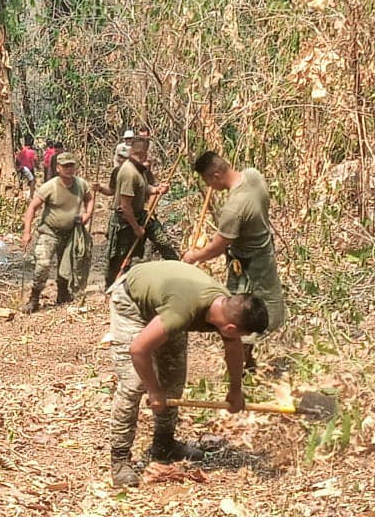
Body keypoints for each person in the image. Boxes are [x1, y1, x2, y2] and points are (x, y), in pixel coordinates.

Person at [107, 259, 269, 488]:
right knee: (134, 383)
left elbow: (233, 350)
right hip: (133, 301)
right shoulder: (182, 311)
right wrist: (153, 391)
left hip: (165, 303)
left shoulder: (225, 306)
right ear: (232, 328)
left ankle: (164, 445)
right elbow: (138, 350)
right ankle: (120, 459)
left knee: (172, 380)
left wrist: (235, 391)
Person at [183, 151, 286, 371]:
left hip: (249, 264)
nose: (209, 186)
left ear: (216, 176)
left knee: (241, 309)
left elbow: (219, 245)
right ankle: (245, 358)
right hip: (265, 252)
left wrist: (194, 256)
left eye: (207, 180)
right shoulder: (253, 175)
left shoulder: (234, 208)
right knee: (256, 302)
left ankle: (243, 360)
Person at [20, 153, 94, 313]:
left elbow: (90, 198)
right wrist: (27, 232)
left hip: (71, 232)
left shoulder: (81, 184)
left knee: (68, 266)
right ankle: (34, 298)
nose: (69, 169)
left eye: (71, 165)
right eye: (65, 166)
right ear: (58, 168)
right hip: (49, 232)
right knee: (43, 264)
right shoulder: (50, 186)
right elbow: (32, 207)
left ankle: (63, 293)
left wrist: (87, 215)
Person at [104, 134, 179, 285]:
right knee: (119, 257)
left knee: (163, 243)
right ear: (136, 153)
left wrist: (157, 189)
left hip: (140, 214)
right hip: (125, 220)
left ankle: (179, 269)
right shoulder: (128, 173)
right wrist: (136, 227)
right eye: (144, 154)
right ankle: (112, 286)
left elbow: (144, 188)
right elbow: (125, 206)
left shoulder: (140, 169)